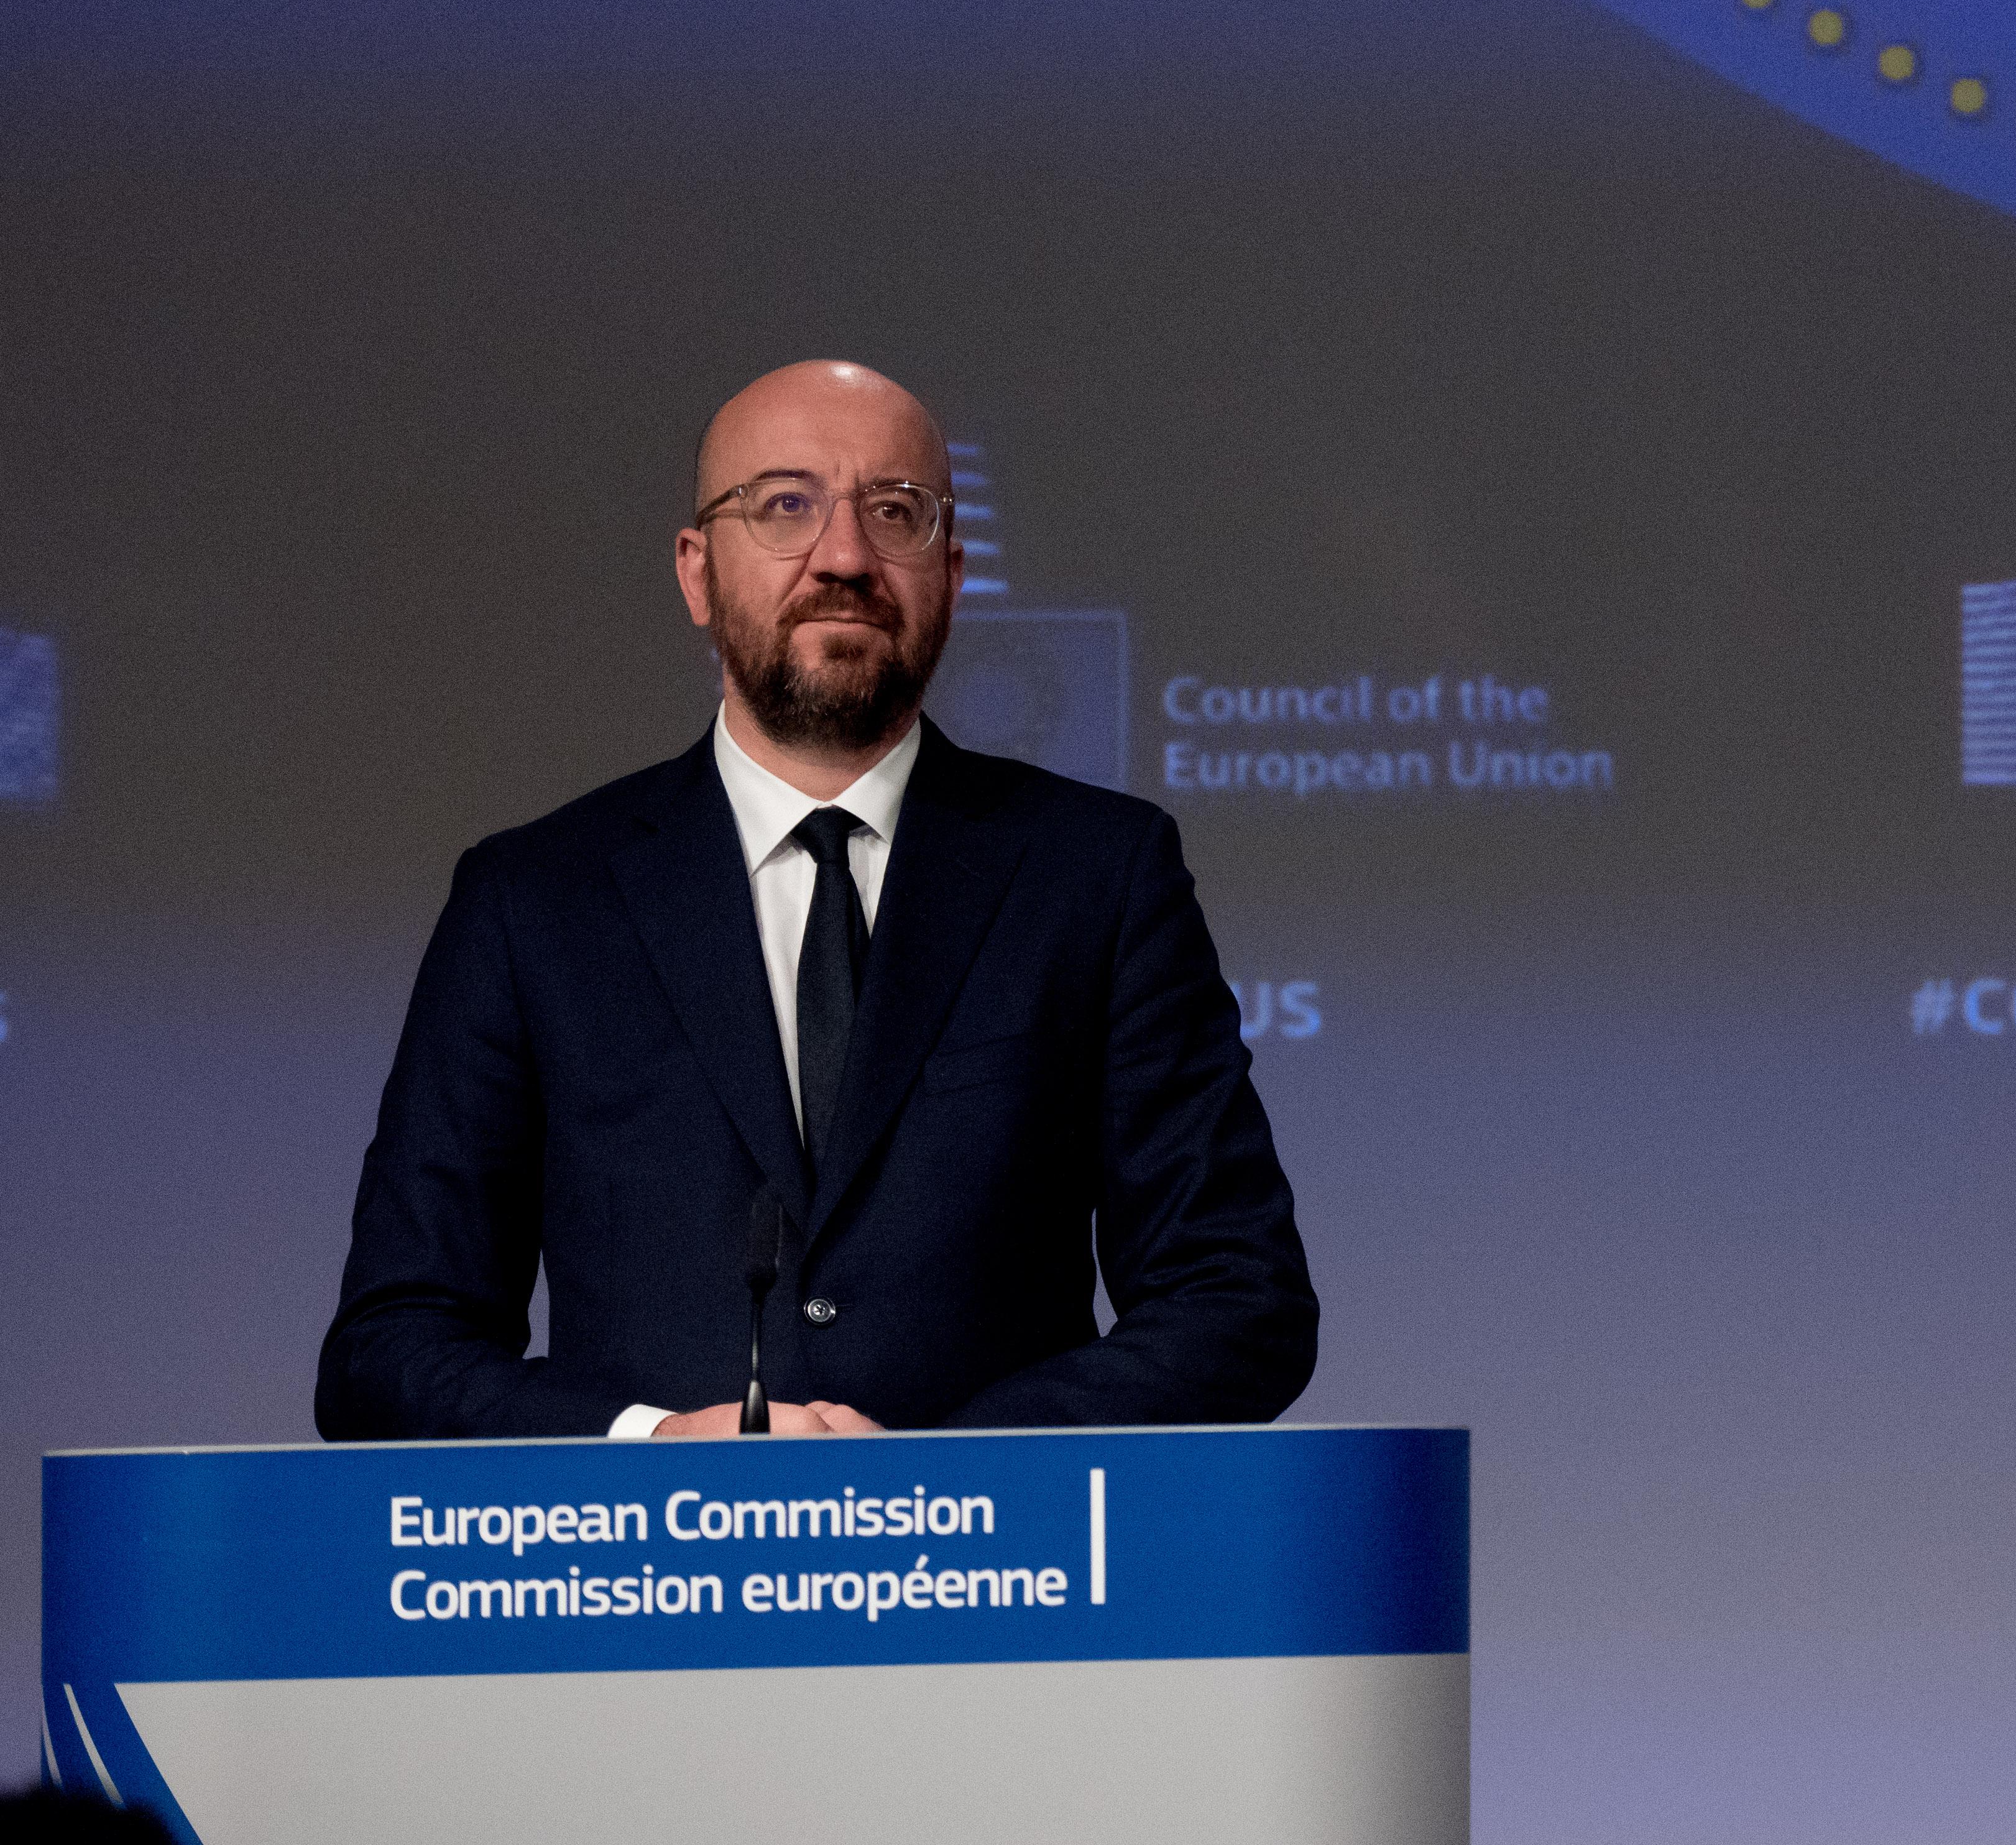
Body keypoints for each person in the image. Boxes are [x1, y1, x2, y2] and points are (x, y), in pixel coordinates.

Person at [318, 359, 1314, 1439]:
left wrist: (948, 1475)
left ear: (954, 572)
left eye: (895, 513)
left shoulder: (1098, 876)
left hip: (995, 1587)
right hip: (641, 1585)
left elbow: (1237, 1301)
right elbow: (389, 1350)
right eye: (785, 506)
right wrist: (646, 1444)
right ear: (697, 573)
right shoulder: (532, 904)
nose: (844, 557)